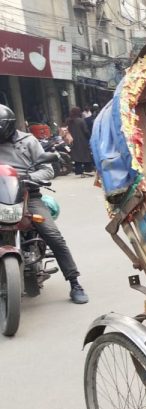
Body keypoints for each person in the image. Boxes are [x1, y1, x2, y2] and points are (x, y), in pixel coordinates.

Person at [0, 105, 88, 304]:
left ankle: (74, 282)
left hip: (27, 196)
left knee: (53, 235)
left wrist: (28, 177)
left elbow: (47, 169)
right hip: (0, 196)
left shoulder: (27, 141)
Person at [67, 107, 92, 177]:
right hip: (82, 141)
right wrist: (89, 137)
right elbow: (86, 131)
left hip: (73, 142)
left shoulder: (69, 121)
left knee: (76, 157)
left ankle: (79, 171)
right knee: (86, 156)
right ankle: (88, 170)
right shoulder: (81, 121)